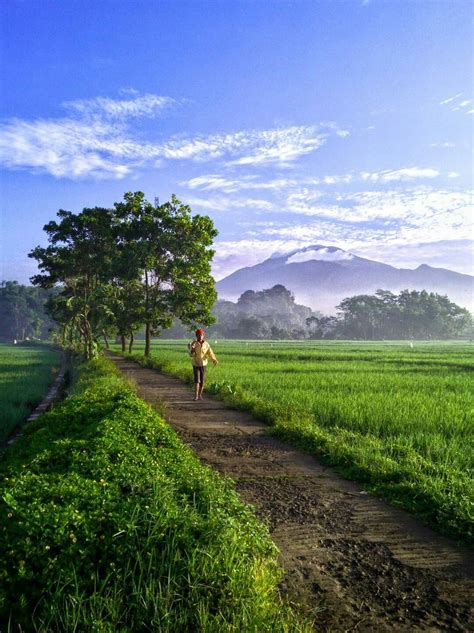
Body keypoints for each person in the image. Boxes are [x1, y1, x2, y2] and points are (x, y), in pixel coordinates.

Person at [187, 328, 218, 401]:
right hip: (196, 364)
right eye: (198, 335)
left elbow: (210, 353)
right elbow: (191, 355)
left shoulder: (206, 344)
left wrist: (214, 360)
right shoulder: (193, 343)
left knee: (202, 381)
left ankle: (200, 395)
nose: (200, 336)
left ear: (203, 336)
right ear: (196, 335)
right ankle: (196, 396)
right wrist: (192, 349)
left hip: (204, 364)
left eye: (201, 335)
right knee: (197, 381)